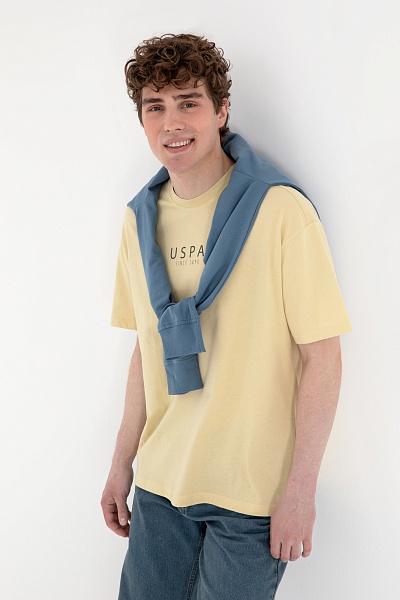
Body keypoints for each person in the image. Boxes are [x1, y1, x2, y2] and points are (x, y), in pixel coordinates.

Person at [101, 33, 352, 600]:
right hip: (162, 486)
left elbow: (323, 356)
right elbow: (146, 347)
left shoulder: (280, 210)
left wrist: (300, 490)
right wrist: (121, 464)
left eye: (188, 102)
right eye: (155, 107)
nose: (172, 123)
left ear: (221, 111)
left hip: (250, 496)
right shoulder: (139, 220)